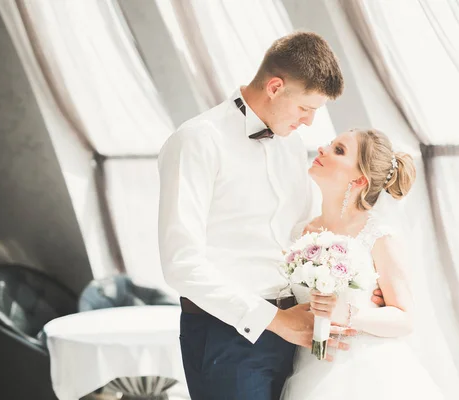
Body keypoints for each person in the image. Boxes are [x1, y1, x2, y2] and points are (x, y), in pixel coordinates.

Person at [157, 32, 384, 400]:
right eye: (305, 108)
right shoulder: (197, 141)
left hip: (294, 332)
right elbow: (180, 264)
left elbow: (298, 235)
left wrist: (354, 279)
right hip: (225, 334)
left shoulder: (292, 146)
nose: (310, 122)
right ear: (275, 87)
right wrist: (275, 321)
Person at [280, 128, 444, 399]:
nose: (323, 149)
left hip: (366, 374)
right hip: (309, 367)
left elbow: (405, 318)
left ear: (359, 179)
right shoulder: (301, 232)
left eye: (339, 150)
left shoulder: (378, 236)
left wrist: (349, 314)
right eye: (331, 144)